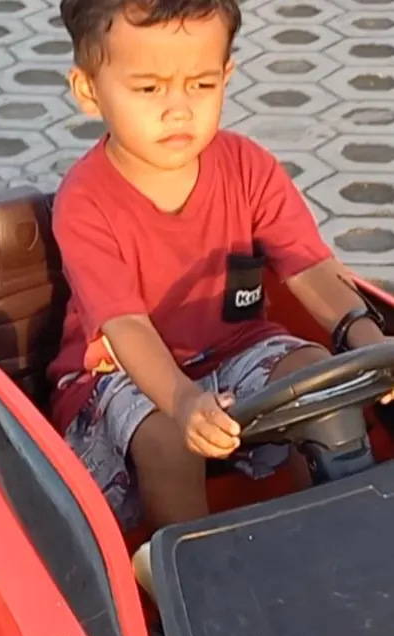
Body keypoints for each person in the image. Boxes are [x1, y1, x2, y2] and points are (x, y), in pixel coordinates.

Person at [48, 0, 388, 574]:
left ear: (226, 76)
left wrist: (363, 337)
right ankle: (203, 586)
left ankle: (335, 555)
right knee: (166, 439)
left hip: (234, 349)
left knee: (314, 374)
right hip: (119, 370)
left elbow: (307, 266)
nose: (178, 109)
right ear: (88, 91)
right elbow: (124, 324)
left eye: (201, 84)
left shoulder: (249, 167)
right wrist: (183, 402)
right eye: (149, 89)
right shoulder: (84, 202)